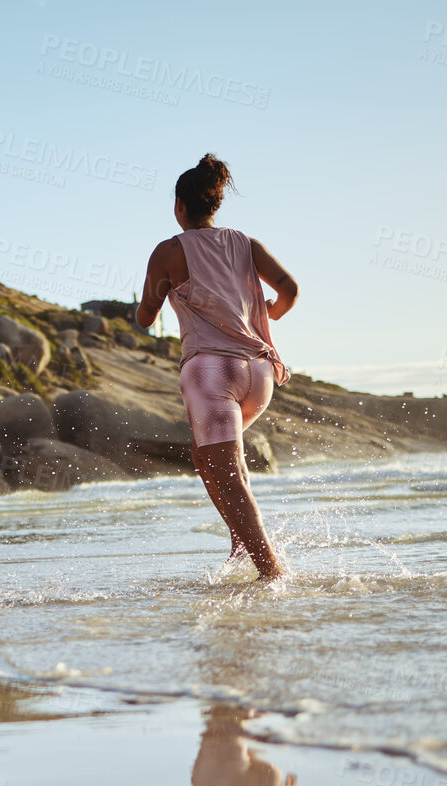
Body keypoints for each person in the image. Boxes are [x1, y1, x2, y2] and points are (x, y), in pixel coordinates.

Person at [136, 154, 297, 580]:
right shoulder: (247, 244)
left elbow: (146, 316)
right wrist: (270, 313)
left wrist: (160, 292)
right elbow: (290, 289)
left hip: (211, 372)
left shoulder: (169, 250)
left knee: (229, 472)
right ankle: (241, 549)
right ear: (215, 204)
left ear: (180, 207)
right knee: (210, 461)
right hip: (259, 375)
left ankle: (271, 572)